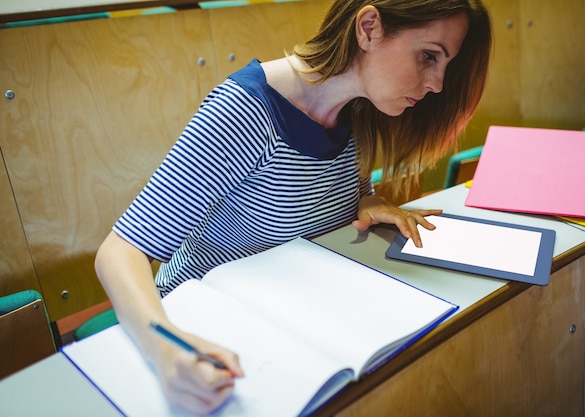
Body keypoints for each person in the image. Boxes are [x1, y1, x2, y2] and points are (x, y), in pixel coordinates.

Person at [95, 0, 492, 414]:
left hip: (293, 310)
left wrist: (368, 200)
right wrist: (163, 348)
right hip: (200, 324)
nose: (438, 84)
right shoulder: (245, 110)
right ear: (369, 28)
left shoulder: (357, 105)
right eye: (429, 57)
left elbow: (320, 192)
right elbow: (120, 251)